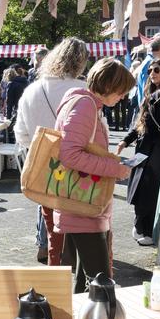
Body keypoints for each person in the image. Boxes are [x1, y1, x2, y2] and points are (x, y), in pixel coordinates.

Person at [54, 58, 134, 292]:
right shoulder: (86, 106)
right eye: (121, 91)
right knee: (101, 282)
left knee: (86, 282)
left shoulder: (85, 103)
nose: (123, 97)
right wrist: (115, 169)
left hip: (80, 203)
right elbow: (70, 155)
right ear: (109, 86)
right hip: (83, 206)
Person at [15, 37, 89, 265]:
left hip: (45, 168)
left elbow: (22, 134)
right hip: (80, 169)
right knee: (85, 232)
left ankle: (56, 280)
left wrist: (45, 147)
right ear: (80, 62)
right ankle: (80, 284)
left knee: (53, 232)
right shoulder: (84, 89)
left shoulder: (31, 91)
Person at [118, 60, 160, 245]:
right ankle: (140, 225)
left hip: (159, 147)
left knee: (151, 187)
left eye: (156, 70)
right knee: (138, 186)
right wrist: (126, 140)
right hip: (143, 146)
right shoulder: (149, 93)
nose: (152, 73)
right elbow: (141, 121)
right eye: (150, 71)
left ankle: (147, 230)